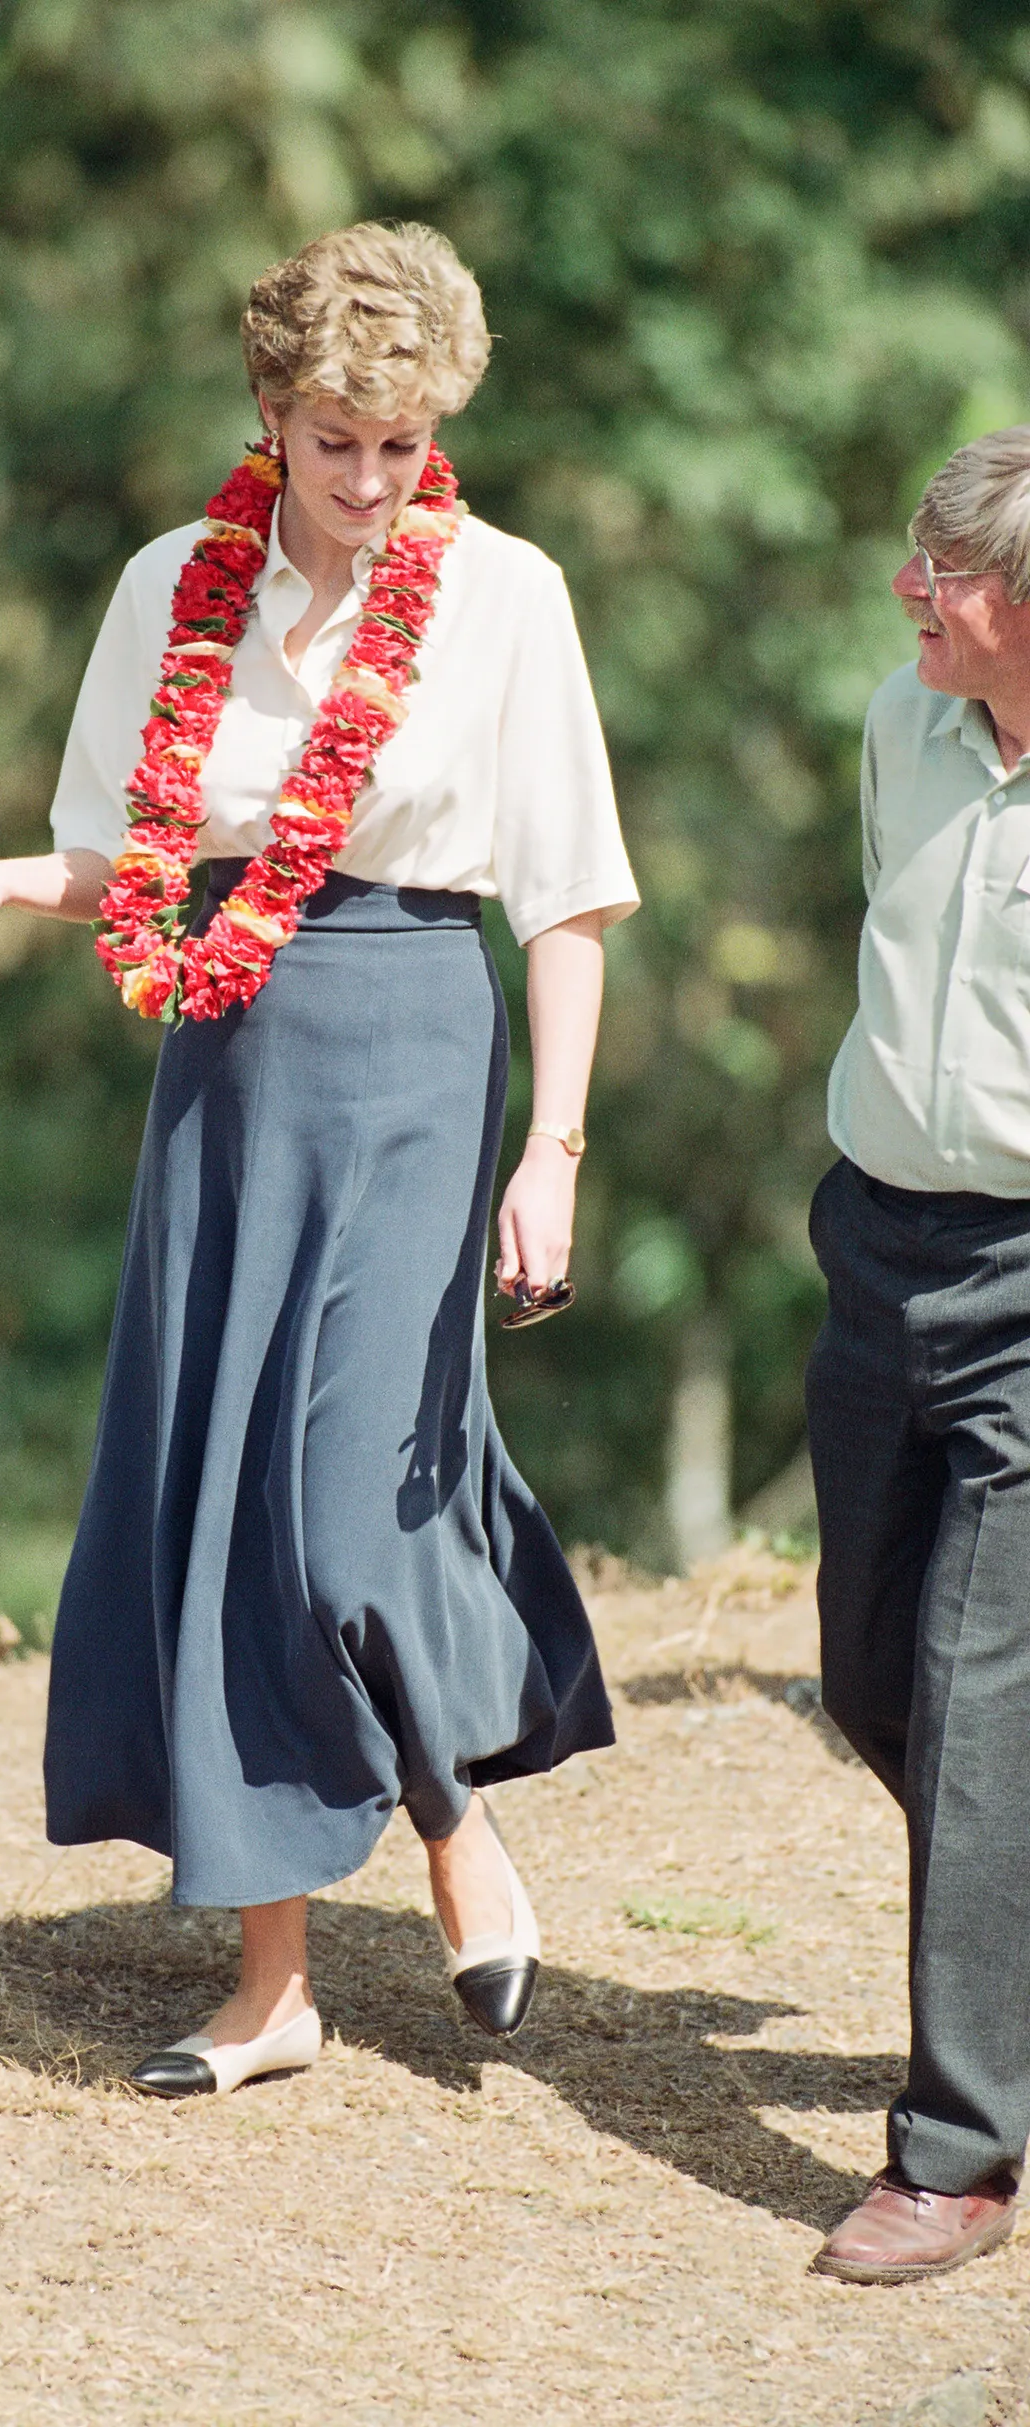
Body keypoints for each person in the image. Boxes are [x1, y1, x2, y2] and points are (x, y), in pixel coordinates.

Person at [0, 221, 638, 2098]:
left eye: (402, 443)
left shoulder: (508, 593)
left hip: (418, 1043)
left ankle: (456, 1821)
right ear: (272, 416)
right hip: (223, 1054)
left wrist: (560, 1149)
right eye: (335, 439)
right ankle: (271, 1986)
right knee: (222, 1489)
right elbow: (115, 862)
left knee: (350, 1505)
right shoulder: (164, 588)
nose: (371, 482)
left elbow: (572, 896)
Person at [806, 427, 1030, 2283]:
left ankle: (955, 2150)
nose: (910, 593)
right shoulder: (902, 719)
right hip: (880, 1241)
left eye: (943, 576)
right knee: (873, 1676)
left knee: (975, 1705)